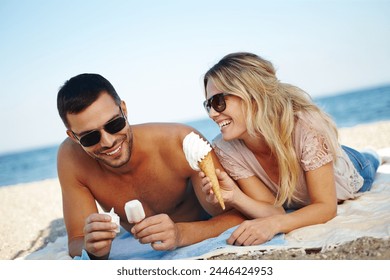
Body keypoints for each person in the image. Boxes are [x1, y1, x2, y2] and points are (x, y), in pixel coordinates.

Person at [200, 52, 381, 246]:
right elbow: (274, 210)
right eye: (208, 104)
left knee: (369, 160)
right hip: (311, 157)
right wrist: (234, 197)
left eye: (218, 102)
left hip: (350, 168)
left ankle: (373, 153)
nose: (212, 113)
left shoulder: (306, 125)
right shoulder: (225, 148)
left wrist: (274, 225)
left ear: (252, 95)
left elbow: (326, 207)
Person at [56, 73, 244, 259]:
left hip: (199, 225)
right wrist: (92, 248)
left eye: (114, 124)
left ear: (124, 109)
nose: (108, 141)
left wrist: (180, 233)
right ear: (73, 136)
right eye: (90, 137)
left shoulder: (180, 142)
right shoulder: (72, 159)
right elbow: (76, 240)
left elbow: (239, 214)